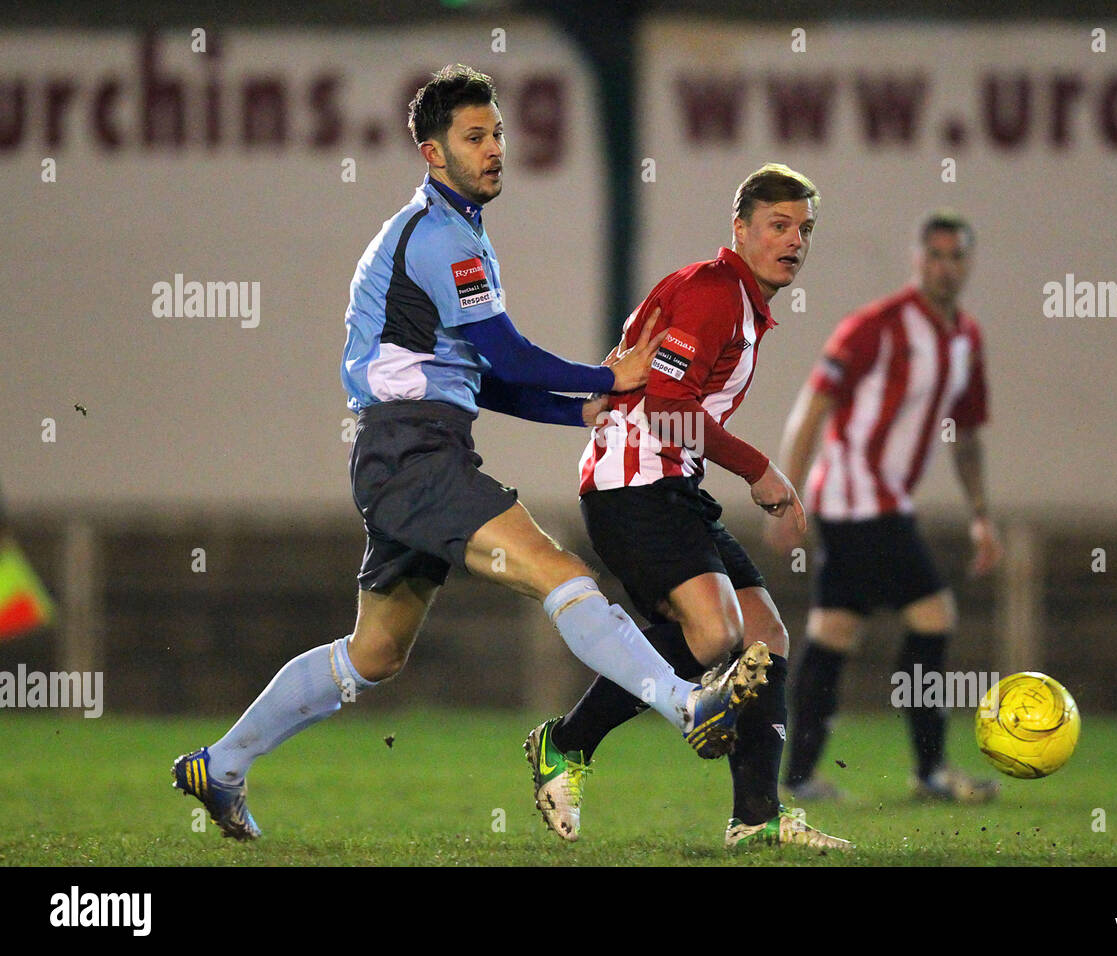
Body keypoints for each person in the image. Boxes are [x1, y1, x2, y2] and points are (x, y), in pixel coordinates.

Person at [170, 64, 769, 840]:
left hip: (409, 452)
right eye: (475, 137)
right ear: (432, 152)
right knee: (561, 573)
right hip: (412, 453)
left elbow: (479, 377)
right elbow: (508, 355)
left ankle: (217, 767)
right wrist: (605, 374)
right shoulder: (440, 236)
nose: (494, 150)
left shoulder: (456, 233)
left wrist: (579, 407)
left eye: (499, 135)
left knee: (374, 655)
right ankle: (685, 704)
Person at [524, 164, 852, 850]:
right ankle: (569, 741)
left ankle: (757, 820)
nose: (794, 241)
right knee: (713, 637)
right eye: (778, 226)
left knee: (763, 637)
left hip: (671, 485)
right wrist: (760, 470)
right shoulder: (713, 292)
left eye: (804, 230)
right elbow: (669, 409)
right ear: (740, 229)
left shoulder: (733, 299)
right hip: (632, 486)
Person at [770, 210, 1004, 804]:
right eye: (935, 254)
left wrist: (980, 515)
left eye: (956, 256)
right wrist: (784, 496)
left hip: (879, 501)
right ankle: (930, 771)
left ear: (969, 264)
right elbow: (812, 409)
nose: (945, 266)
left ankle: (797, 776)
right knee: (935, 615)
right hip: (856, 497)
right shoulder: (876, 326)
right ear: (916, 259)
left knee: (835, 629)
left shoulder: (965, 339)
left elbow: (967, 434)